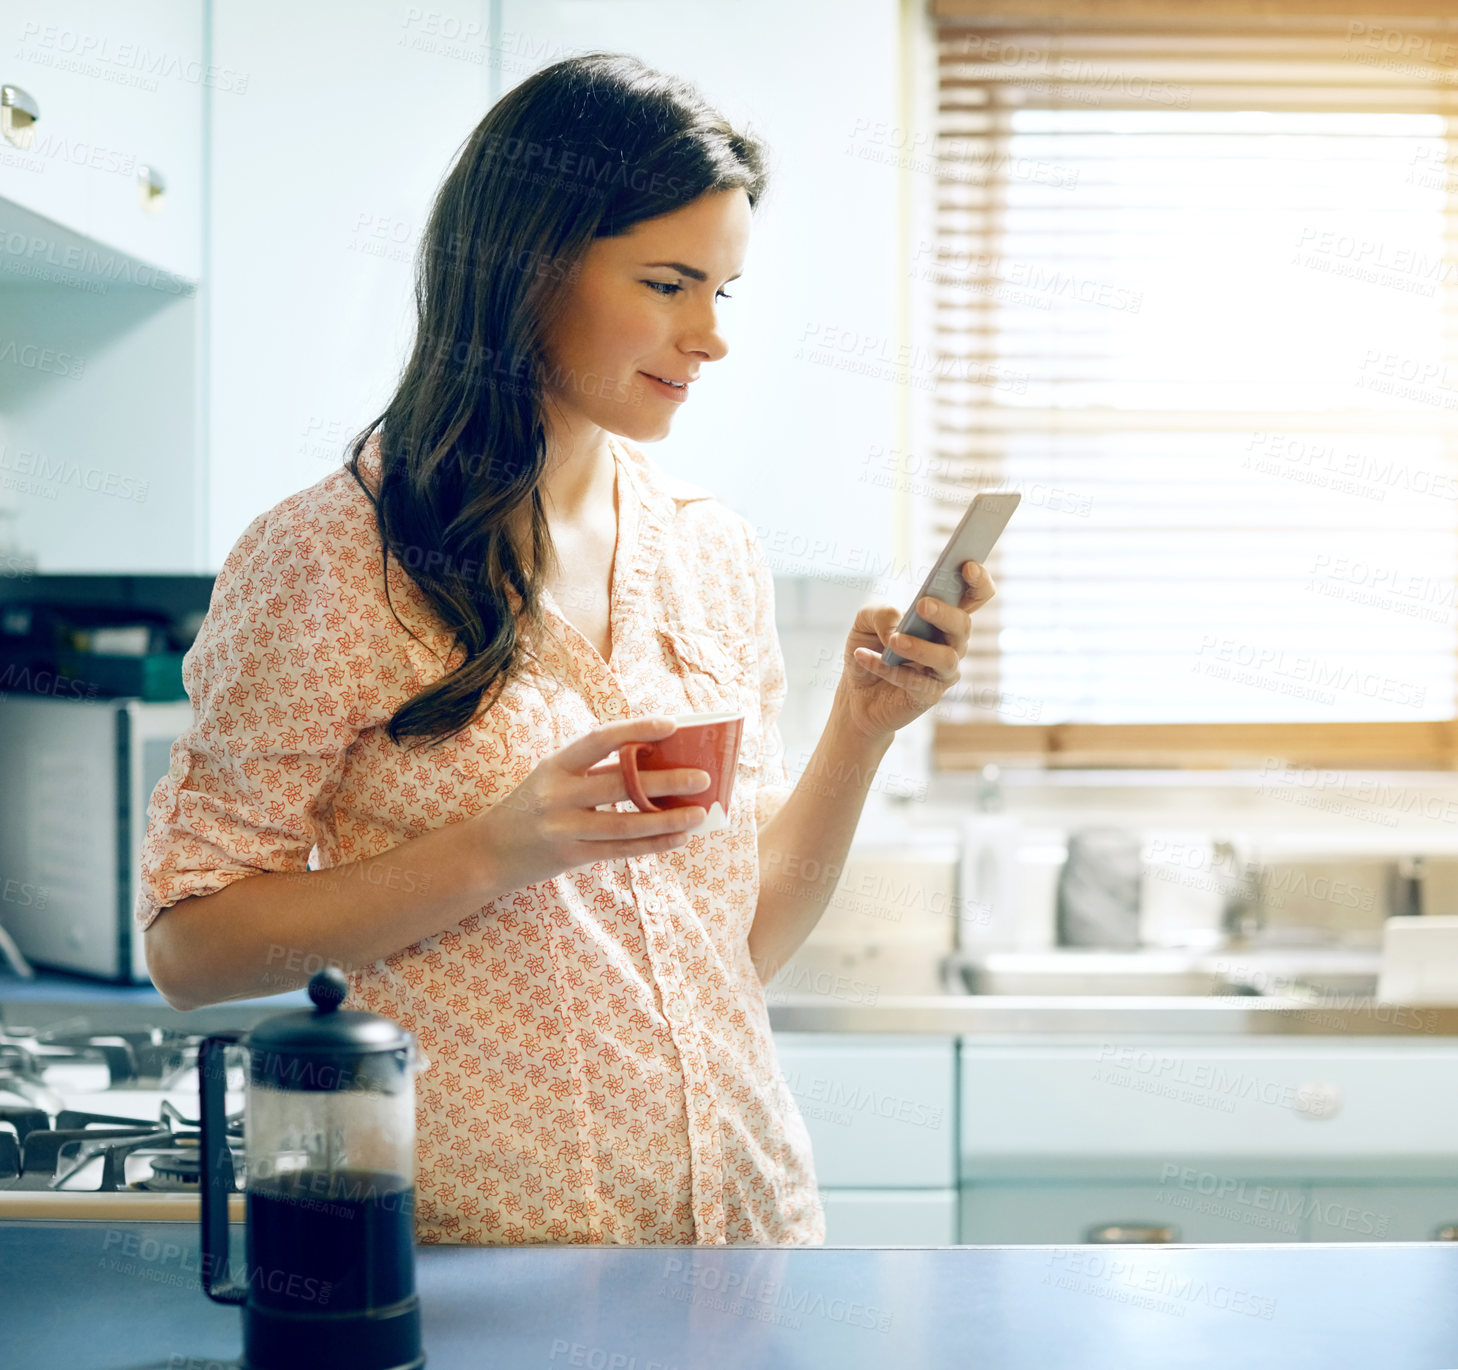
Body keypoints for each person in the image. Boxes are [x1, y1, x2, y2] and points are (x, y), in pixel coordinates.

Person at [139, 51, 994, 1246]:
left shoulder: (711, 550)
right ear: (526, 265)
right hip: (490, 1267)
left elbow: (738, 945)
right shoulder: (332, 557)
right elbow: (192, 948)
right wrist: (503, 844)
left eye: (723, 291)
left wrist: (861, 729)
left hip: (747, 1238)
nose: (709, 337)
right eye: (667, 281)